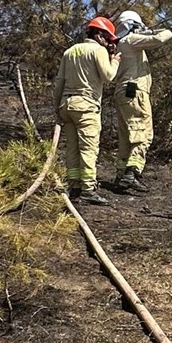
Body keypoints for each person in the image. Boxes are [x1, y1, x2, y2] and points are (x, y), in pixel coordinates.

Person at [111, 9, 172, 194]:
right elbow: (157, 39)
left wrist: (168, 30)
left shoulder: (121, 45)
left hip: (123, 94)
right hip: (135, 92)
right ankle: (132, 173)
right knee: (144, 133)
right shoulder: (131, 41)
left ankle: (120, 175)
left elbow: (153, 35)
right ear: (133, 26)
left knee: (126, 137)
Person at [53, 16, 121, 206]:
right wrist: (114, 61)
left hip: (67, 105)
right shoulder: (98, 50)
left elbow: (59, 82)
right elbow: (108, 76)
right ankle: (88, 189)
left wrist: (57, 108)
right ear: (99, 35)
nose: (109, 43)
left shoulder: (70, 51)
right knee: (88, 148)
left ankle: (74, 185)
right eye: (108, 38)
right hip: (86, 106)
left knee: (72, 148)